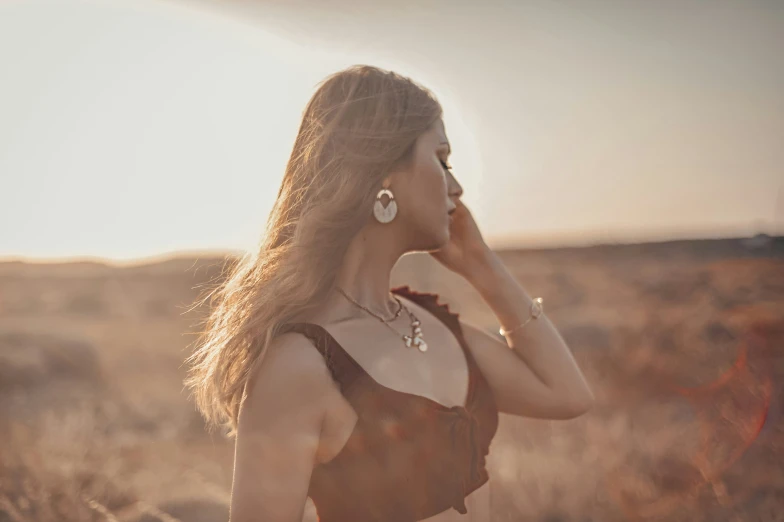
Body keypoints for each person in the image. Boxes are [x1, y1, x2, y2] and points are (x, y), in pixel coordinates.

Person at [184, 64, 595, 522]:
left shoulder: (431, 323)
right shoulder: (299, 364)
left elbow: (566, 395)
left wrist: (483, 267)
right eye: (441, 160)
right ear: (383, 174)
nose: (456, 186)